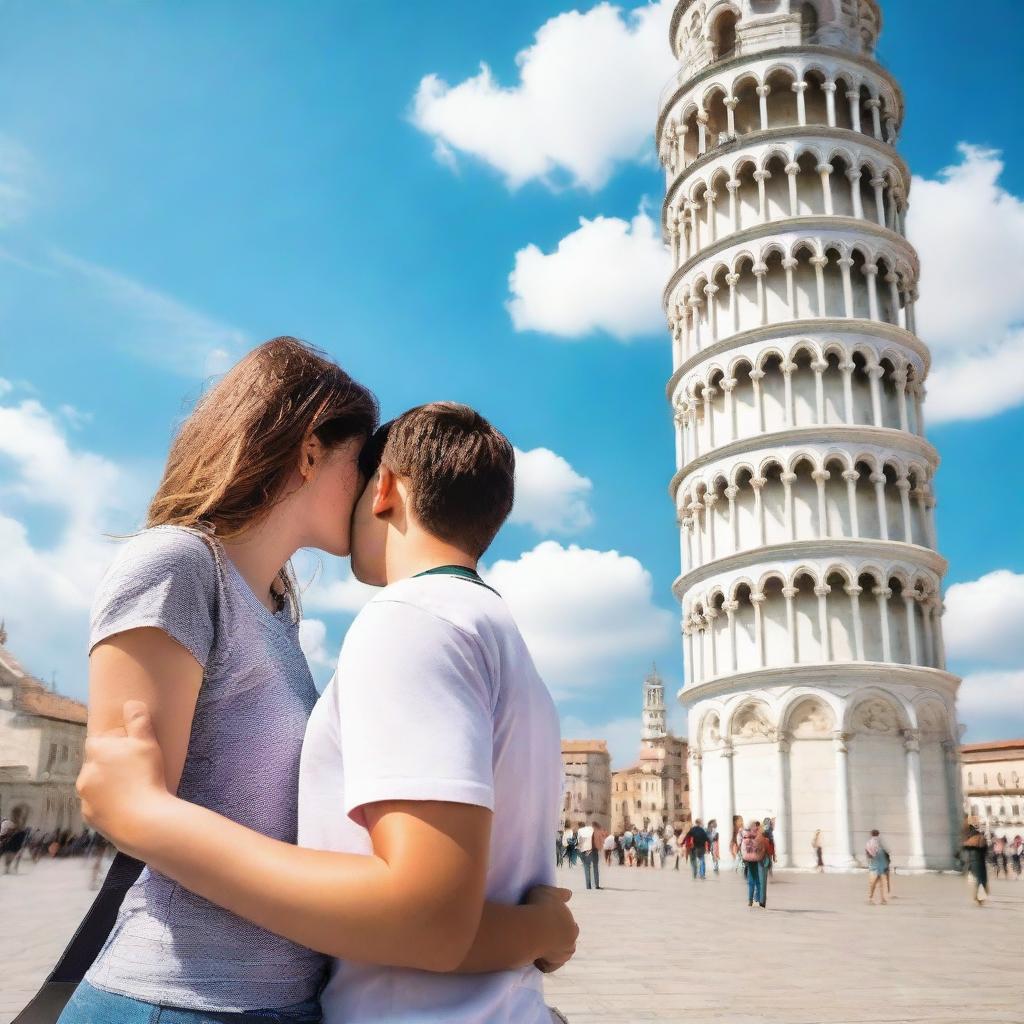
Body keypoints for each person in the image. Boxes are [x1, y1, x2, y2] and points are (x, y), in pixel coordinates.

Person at [66, 357, 576, 1023]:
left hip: (287, 1001)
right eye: (357, 459)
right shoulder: (176, 564)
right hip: (180, 996)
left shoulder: (284, 612)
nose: (366, 482)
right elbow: (123, 799)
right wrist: (530, 933)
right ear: (311, 452)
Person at [739, 820, 768, 908]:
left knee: (751, 881)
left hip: (748, 860)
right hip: (758, 860)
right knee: (759, 881)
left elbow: (742, 846)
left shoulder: (744, 835)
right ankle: (759, 900)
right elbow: (763, 848)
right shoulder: (759, 835)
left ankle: (750, 900)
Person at [962, 816, 989, 905]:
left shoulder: (970, 840)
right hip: (980, 861)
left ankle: (979, 897)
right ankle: (979, 897)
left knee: (979, 879)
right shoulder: (980, 838)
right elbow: (985, 850)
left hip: (974, 861)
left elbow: (965, 849)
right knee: (981, 879)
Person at [865, 830, 890, 905]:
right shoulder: (881, 844)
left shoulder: (869, 843)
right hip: (881, 867)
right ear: (878, 834)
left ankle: (871, 898)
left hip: (874, 867)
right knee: (881, 884)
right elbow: (886, 855)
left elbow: (868, 855)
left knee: (873, 884)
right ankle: (882, 899)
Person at [577, 820, 601, 891]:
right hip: (594, 849)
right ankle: (597, 885)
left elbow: (579, 841)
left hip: (587, 850)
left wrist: (578, 848)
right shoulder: (591, 828)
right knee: (595, 867)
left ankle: (588, 886)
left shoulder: (580, 830)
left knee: (587, 867)